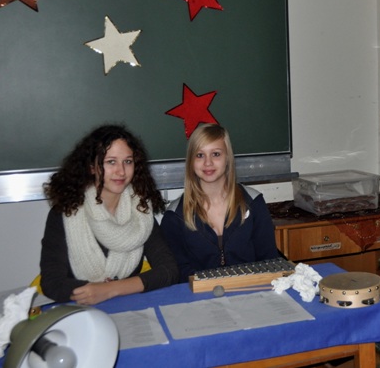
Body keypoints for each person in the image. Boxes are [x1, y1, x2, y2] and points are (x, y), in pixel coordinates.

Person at [39, 124, 178, 305]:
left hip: (129, 307)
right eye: (111, 162)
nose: (121, 171)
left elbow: (169, 270)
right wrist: (93, 291)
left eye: (128, 161)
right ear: (92, 167)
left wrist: (110, 290)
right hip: (80, 311)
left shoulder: (141, 210)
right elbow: (52, 283)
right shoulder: (65, 212)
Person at [161, 123, 279, 282]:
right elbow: (178, 272)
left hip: (252, 291)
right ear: (191, 161)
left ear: (228, 158)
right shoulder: (174, 216)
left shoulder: (253, 202)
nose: (208, 163)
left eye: (216, 154)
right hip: (200, 295)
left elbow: (269, 260)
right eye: (199, 155)